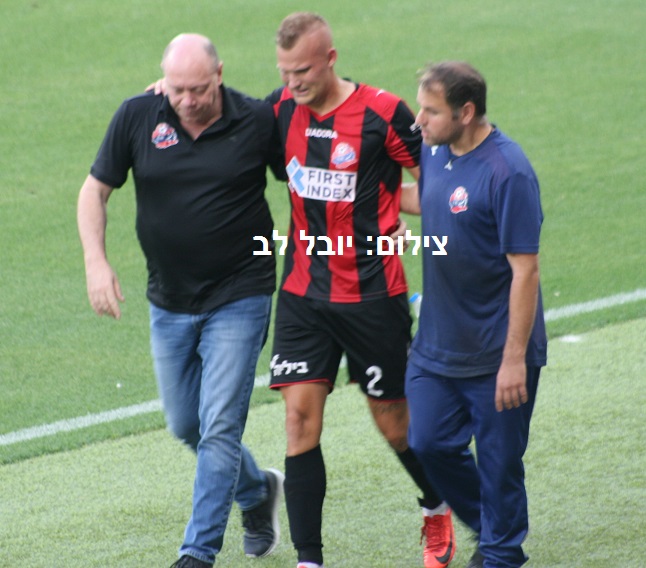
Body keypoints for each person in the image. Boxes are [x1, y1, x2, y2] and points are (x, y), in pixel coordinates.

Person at [77, 33, 286, 568]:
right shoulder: (138, 115)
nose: (188, 100)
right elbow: (94, 190)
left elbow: (305, 175)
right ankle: (257, 490)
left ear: (220, 75)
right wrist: (96, 261)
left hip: (241, 291)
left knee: (220, 425)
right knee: (185, 424)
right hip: (168, 299)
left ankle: (197, 552)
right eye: (177, 90)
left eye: (198, 89)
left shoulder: (256, 120)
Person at [267, 13, 453, 568]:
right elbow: (215, 114)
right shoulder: (279, 110)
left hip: (373, 295)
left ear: (330, 59)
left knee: (394, 424)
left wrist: (400, 214)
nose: (293, 82)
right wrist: (162, 93)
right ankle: (309, 559)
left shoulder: (385, 112)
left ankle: (436, 504)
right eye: (284, 72)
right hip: (303, 293)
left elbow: (441, 178)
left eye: (302, 71)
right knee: (299, 420)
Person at [402, 61, 548, 568]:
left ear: (466, 113)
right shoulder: (434, 149)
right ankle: (492, 530)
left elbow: (525, 271)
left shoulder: (508, 172)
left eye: (430, 110)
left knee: (500, 464)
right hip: (438, 343)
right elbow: (430, 197)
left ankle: (502, 554)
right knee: (426, 441)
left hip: (497, 350)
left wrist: (513, 360)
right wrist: (369, 202)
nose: (419, 120)